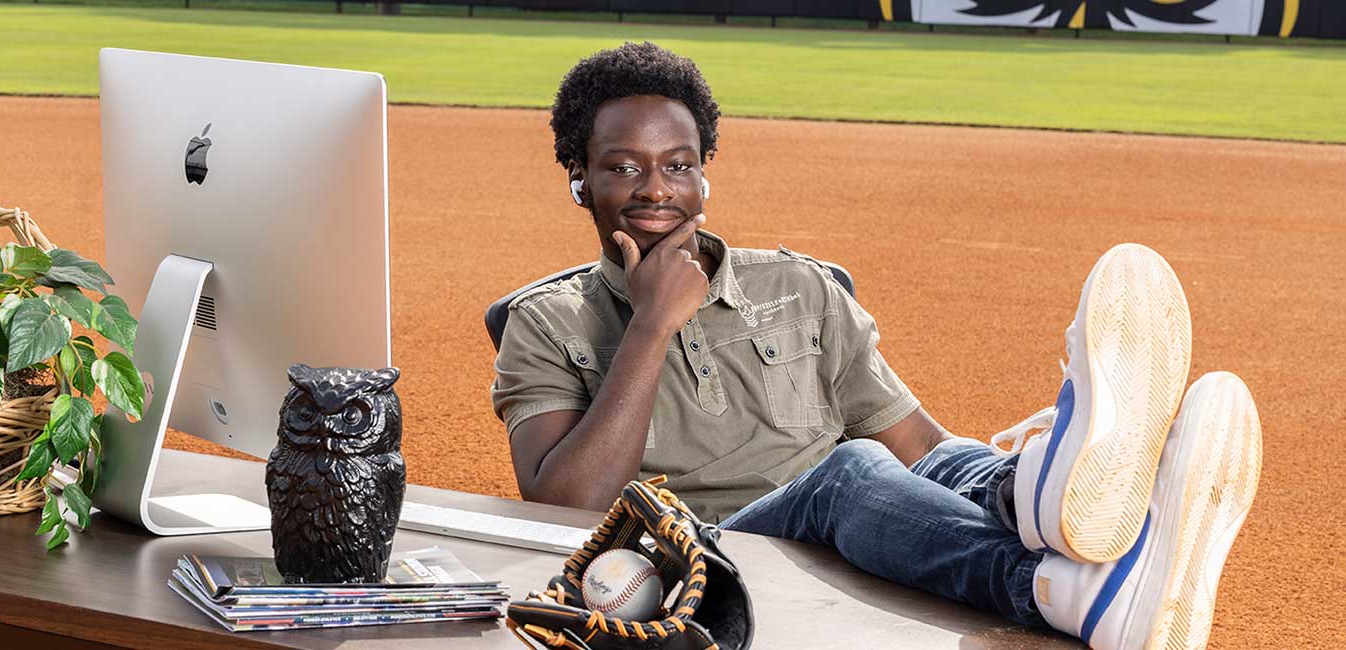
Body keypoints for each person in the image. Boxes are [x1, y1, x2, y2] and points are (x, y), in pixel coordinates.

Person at [492, 42, 1262, 650]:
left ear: (704, 179)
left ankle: (1048, 499)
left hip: (860, 525)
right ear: (580, 179)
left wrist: (979, 478)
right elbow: (569, 508)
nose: (655, 188)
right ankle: (1055, 587)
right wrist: (652, 322)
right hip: (708, 561)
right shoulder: (546, 321)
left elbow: (916, 444)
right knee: (847, 470)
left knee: (931, 461)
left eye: (678, 166)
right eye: (622, 167)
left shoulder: (798, 286)